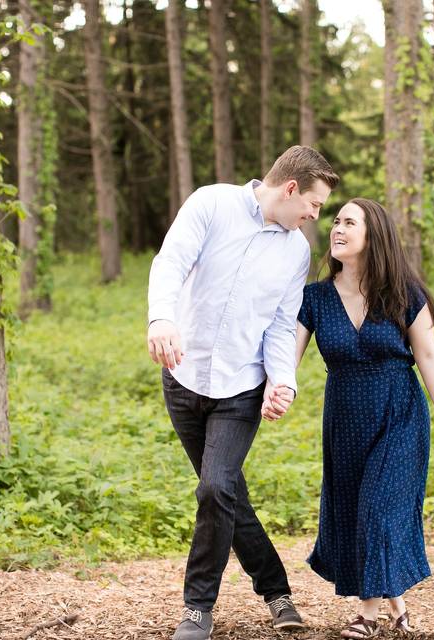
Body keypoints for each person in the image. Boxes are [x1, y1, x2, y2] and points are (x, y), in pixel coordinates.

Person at [147, 146, 340, 640]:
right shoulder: (210, 204)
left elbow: (280, 326)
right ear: (291, 189)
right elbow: (170, 263)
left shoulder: (296, 250)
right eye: (314, 205)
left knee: (215, 488)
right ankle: (277, 591)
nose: (315, 217)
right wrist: (162, 318)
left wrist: (283, 380)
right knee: (226, 491)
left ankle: (196, 610)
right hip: (184, 378)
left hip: (241, 390)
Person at [263, 197, 434, 638]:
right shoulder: (314, 298)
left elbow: (428, 355)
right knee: (359, 512)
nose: (337, 228)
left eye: (349, 222)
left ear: (374, 235)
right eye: (335, 221)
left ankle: (366, 617)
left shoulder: (404, 294)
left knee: (378, 507)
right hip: (345, 419)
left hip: (399, 414)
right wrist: (277, 390)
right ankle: (398, 607)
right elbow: (287, 355)